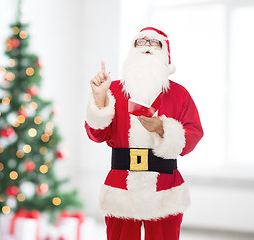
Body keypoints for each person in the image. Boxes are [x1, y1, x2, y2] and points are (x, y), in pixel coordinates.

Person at [85, 27, 203, 240]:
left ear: (165, 53)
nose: (147, 45)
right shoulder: (113, 90)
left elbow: (193, 135)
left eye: (154, 42)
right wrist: (100, 98)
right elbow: (97, 135)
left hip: (165, 188)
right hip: (122, 186)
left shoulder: (180, 94)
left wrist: (162, 128)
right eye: (141, 41)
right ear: (132, 50)